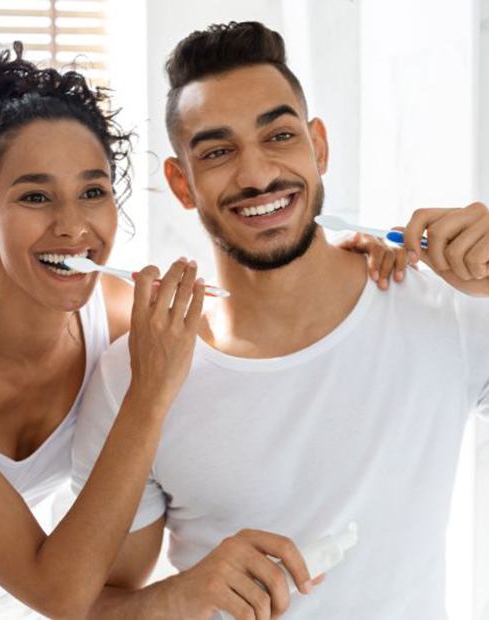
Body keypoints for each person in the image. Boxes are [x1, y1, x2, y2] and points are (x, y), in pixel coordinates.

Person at [0, 39, 403, 620]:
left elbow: (251, 308)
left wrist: (352, 254)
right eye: (35, 196)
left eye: (92, 192)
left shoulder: (120, 313)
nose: (72, 225)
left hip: (7, 594)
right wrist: (148, 393)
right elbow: (59, 593)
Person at [71, 21, 489, 620]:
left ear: (318, 147)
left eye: (280, 136)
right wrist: (176, 597)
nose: (256, 174)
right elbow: (90, 604)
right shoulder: (133, 378)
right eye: (217, 152)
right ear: (180, 183)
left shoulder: (442, 315)